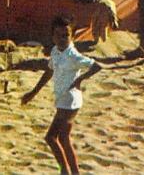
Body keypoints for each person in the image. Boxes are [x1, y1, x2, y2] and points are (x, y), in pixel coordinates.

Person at [21, 15, 102, 175]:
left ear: (72, 36)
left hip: (70, 101)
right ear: (53, 37)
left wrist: (80, 79)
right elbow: (49, 71)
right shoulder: (55, 51)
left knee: (50, 138)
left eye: (66, 35)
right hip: (62, 100)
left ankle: (64, 170)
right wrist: (33, 92)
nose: (62, 39)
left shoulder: (73, 55)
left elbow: (96, 66)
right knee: (64, 139)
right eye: (58, 35)